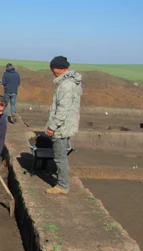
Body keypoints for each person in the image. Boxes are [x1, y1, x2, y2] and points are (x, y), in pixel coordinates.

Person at [45, 56, 82, 195]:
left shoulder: (66, 85)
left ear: (60, 69)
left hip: (61, 127)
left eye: (53, 69)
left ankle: (62, 186)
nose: (52, 72)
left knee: (60, 158)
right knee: (62, 156)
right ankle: (62, 183)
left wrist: (52, 127)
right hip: (67, 125)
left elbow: (63, 110)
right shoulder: (73, 82)